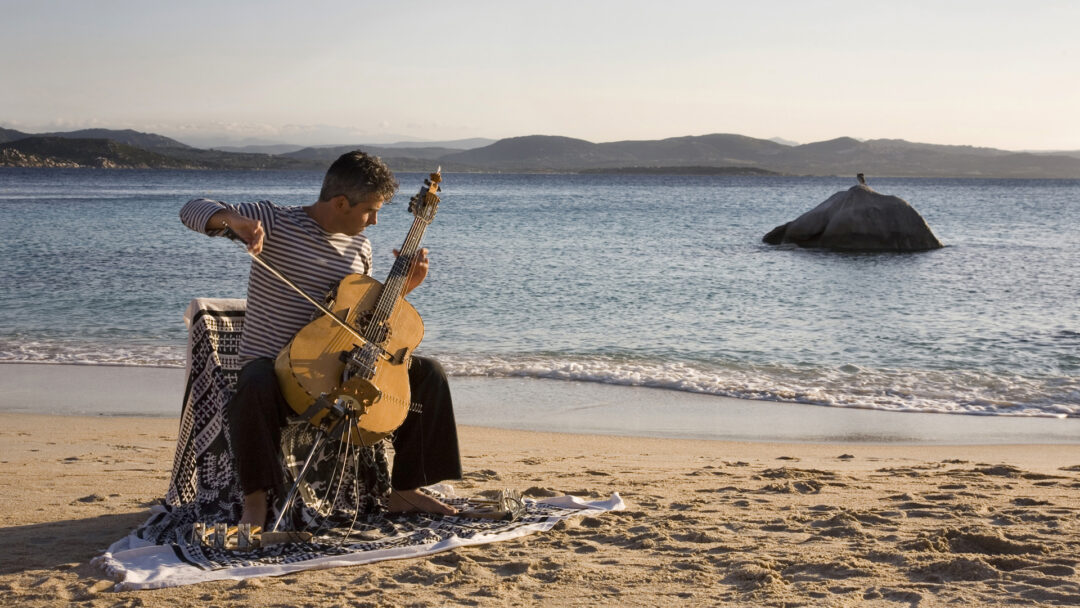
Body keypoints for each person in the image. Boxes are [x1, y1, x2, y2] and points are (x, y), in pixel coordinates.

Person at [180, 151, 461, 529]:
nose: (375, 221)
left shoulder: (359, 247)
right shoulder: (275, 221)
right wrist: (236, 221)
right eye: (370, 211)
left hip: (336, 368)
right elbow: (191, 209)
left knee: (430, 373)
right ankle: (255, 500)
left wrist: (402, 292)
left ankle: (405, 488)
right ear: (341, 203)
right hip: (277, 370)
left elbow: (363, 320)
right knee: (254, 381)